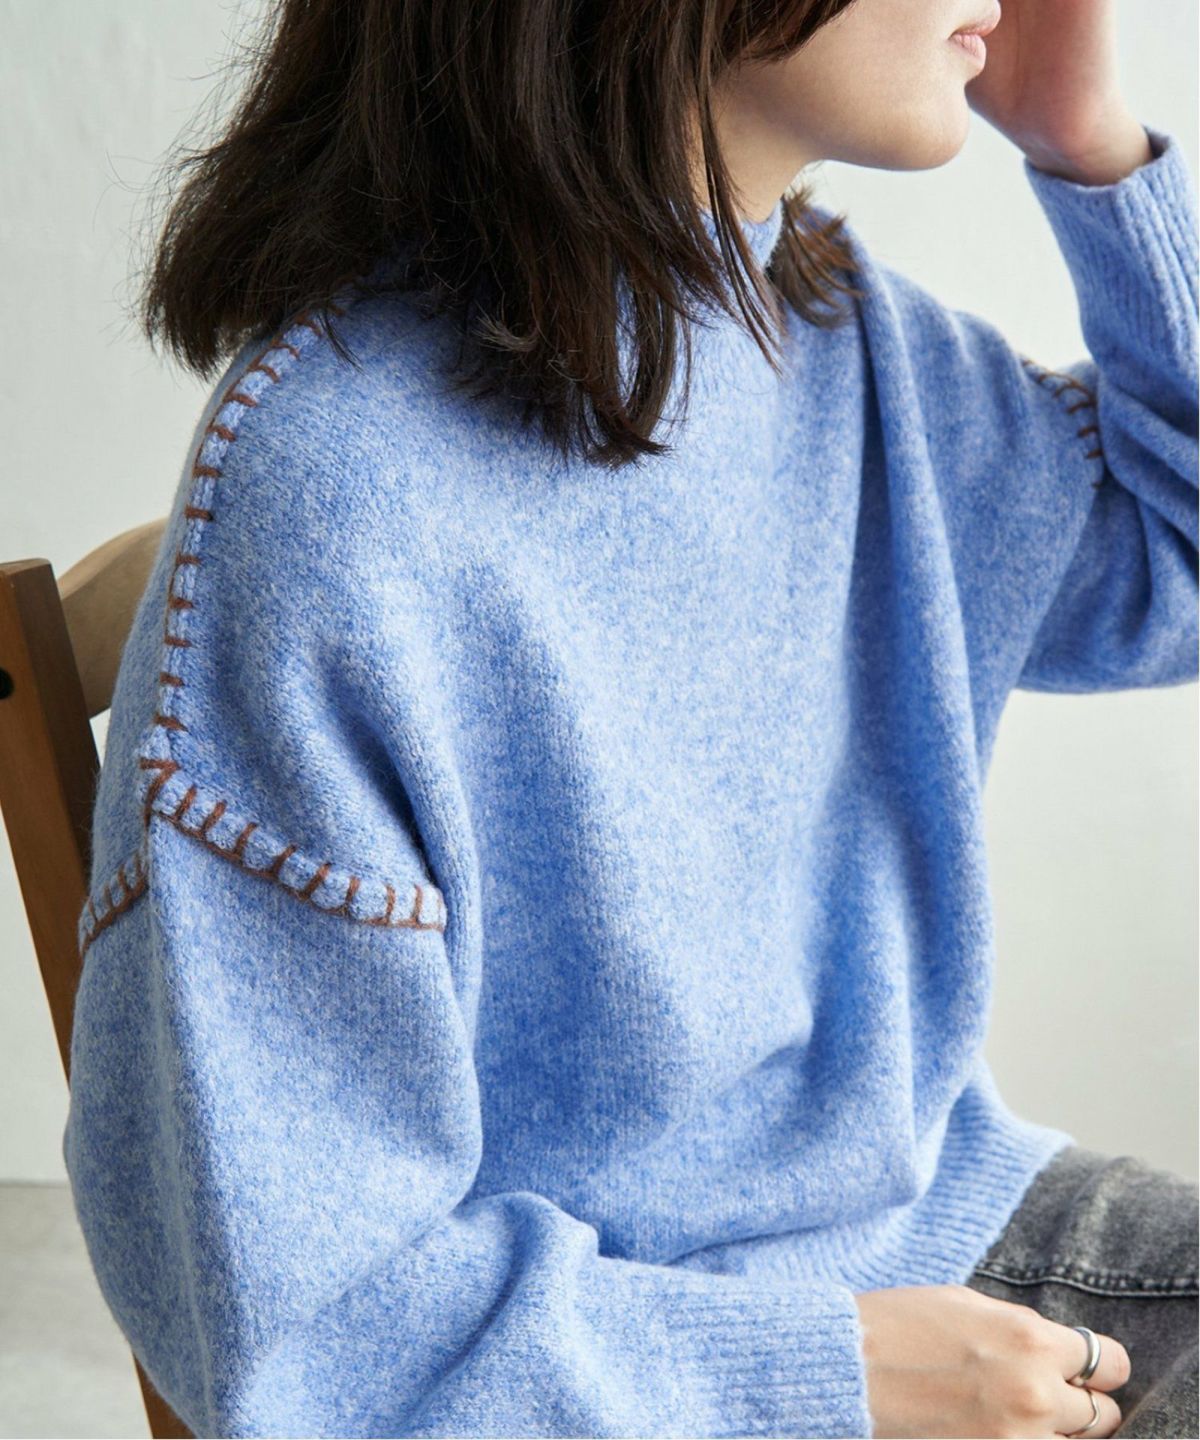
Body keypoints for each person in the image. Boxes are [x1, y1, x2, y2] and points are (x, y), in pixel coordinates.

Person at [64, 0, 1197, 1436]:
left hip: (931, 1223)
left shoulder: (841, 348)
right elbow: (310, 1331)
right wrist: (819, 1371)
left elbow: (1177, 551)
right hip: (599, 1372)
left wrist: (1093, 149)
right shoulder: (332, 499)